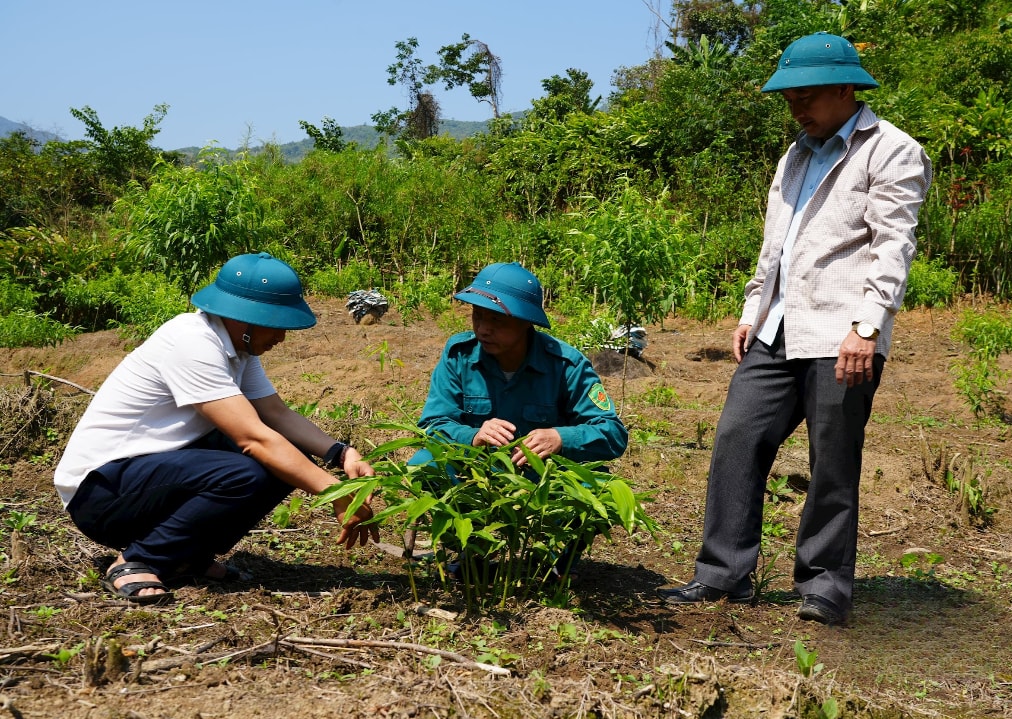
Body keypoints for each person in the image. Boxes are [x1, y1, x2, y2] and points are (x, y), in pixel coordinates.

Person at [656, 33, 932, 624]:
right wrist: (752, 309)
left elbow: (893, 246)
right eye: (789, 99)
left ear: (844, 87)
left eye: (805, 96)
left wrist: (867, 326)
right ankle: (723, 574)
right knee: (737, 436)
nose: (797, 109)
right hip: (778, 329)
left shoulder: (891, 151)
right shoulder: (796, 155)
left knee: (832, 458)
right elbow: (775, 245)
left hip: (843, 334)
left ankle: (825, 586)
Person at [54, 252, 380, 604]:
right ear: (246, 318)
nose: (282, 337)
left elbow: (275, 413)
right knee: (246, 471)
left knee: (290, 456)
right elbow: (253, 438)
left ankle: (187, 556)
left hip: (148, 475)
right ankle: (141, 559)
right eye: (277, 324)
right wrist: (337, 491)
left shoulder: (237, 349)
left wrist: (341, 453)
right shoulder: (191, 341)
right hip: (100, 493)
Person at [411, 262, 627, 576]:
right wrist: (473, 436)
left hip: (542, 483)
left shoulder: (566, 365)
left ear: (527, 322)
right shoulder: (459, 355)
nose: (484, 328)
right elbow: (433, 425)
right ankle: (472, 553)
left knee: (606, 491)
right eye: (478, 316)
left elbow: (613, 434)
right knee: (424, 464)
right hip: (476, 478)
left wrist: (560, 438)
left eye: (497, 319)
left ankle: (552, 567)